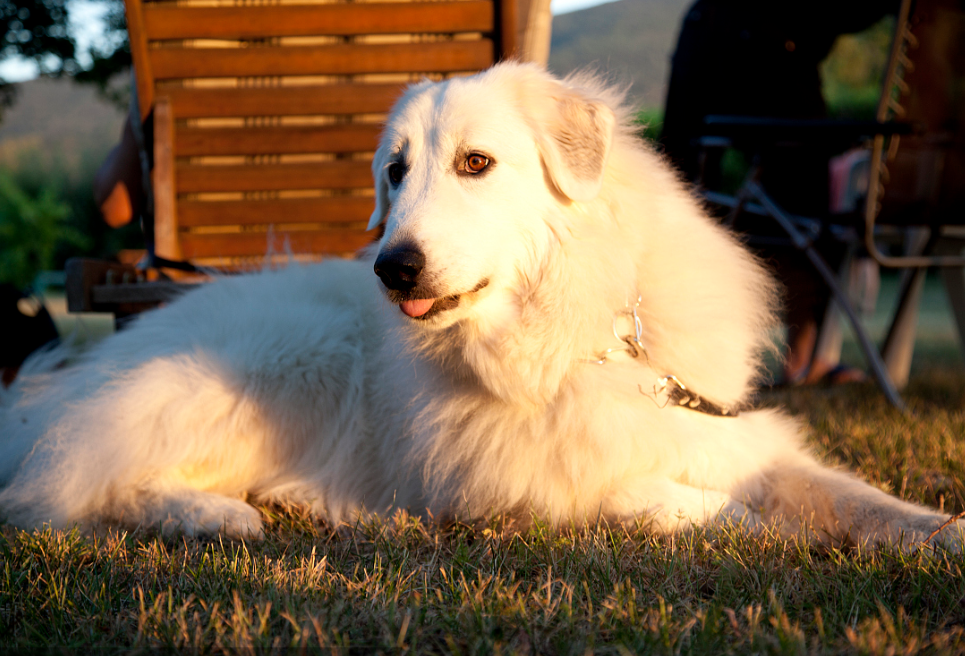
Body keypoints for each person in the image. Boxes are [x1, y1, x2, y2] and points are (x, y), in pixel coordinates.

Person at [661, 0, 897, 385]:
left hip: (734, 44)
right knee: (797, 206)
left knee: (693, 189)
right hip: (754, 52)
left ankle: (801, 357)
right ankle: (802, 358)